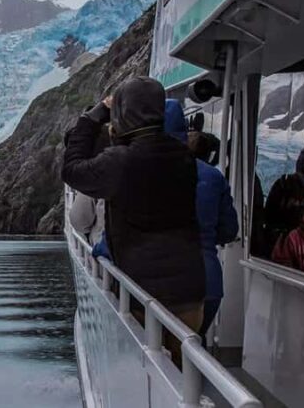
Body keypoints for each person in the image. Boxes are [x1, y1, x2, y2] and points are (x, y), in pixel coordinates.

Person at [62, 77, 205, 363]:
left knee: (149, 370)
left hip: (142, 292)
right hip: (190, 289)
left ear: (124, 113)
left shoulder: (121, 161)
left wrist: (94, 117)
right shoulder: (182, 156)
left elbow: (72, 170)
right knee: (183, 370)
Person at [182, 128, 239, 343]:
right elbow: (229, 230)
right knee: (197, 340)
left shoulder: (167, 173)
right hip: (210, 280)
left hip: (176, 279)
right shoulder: (215, 178)